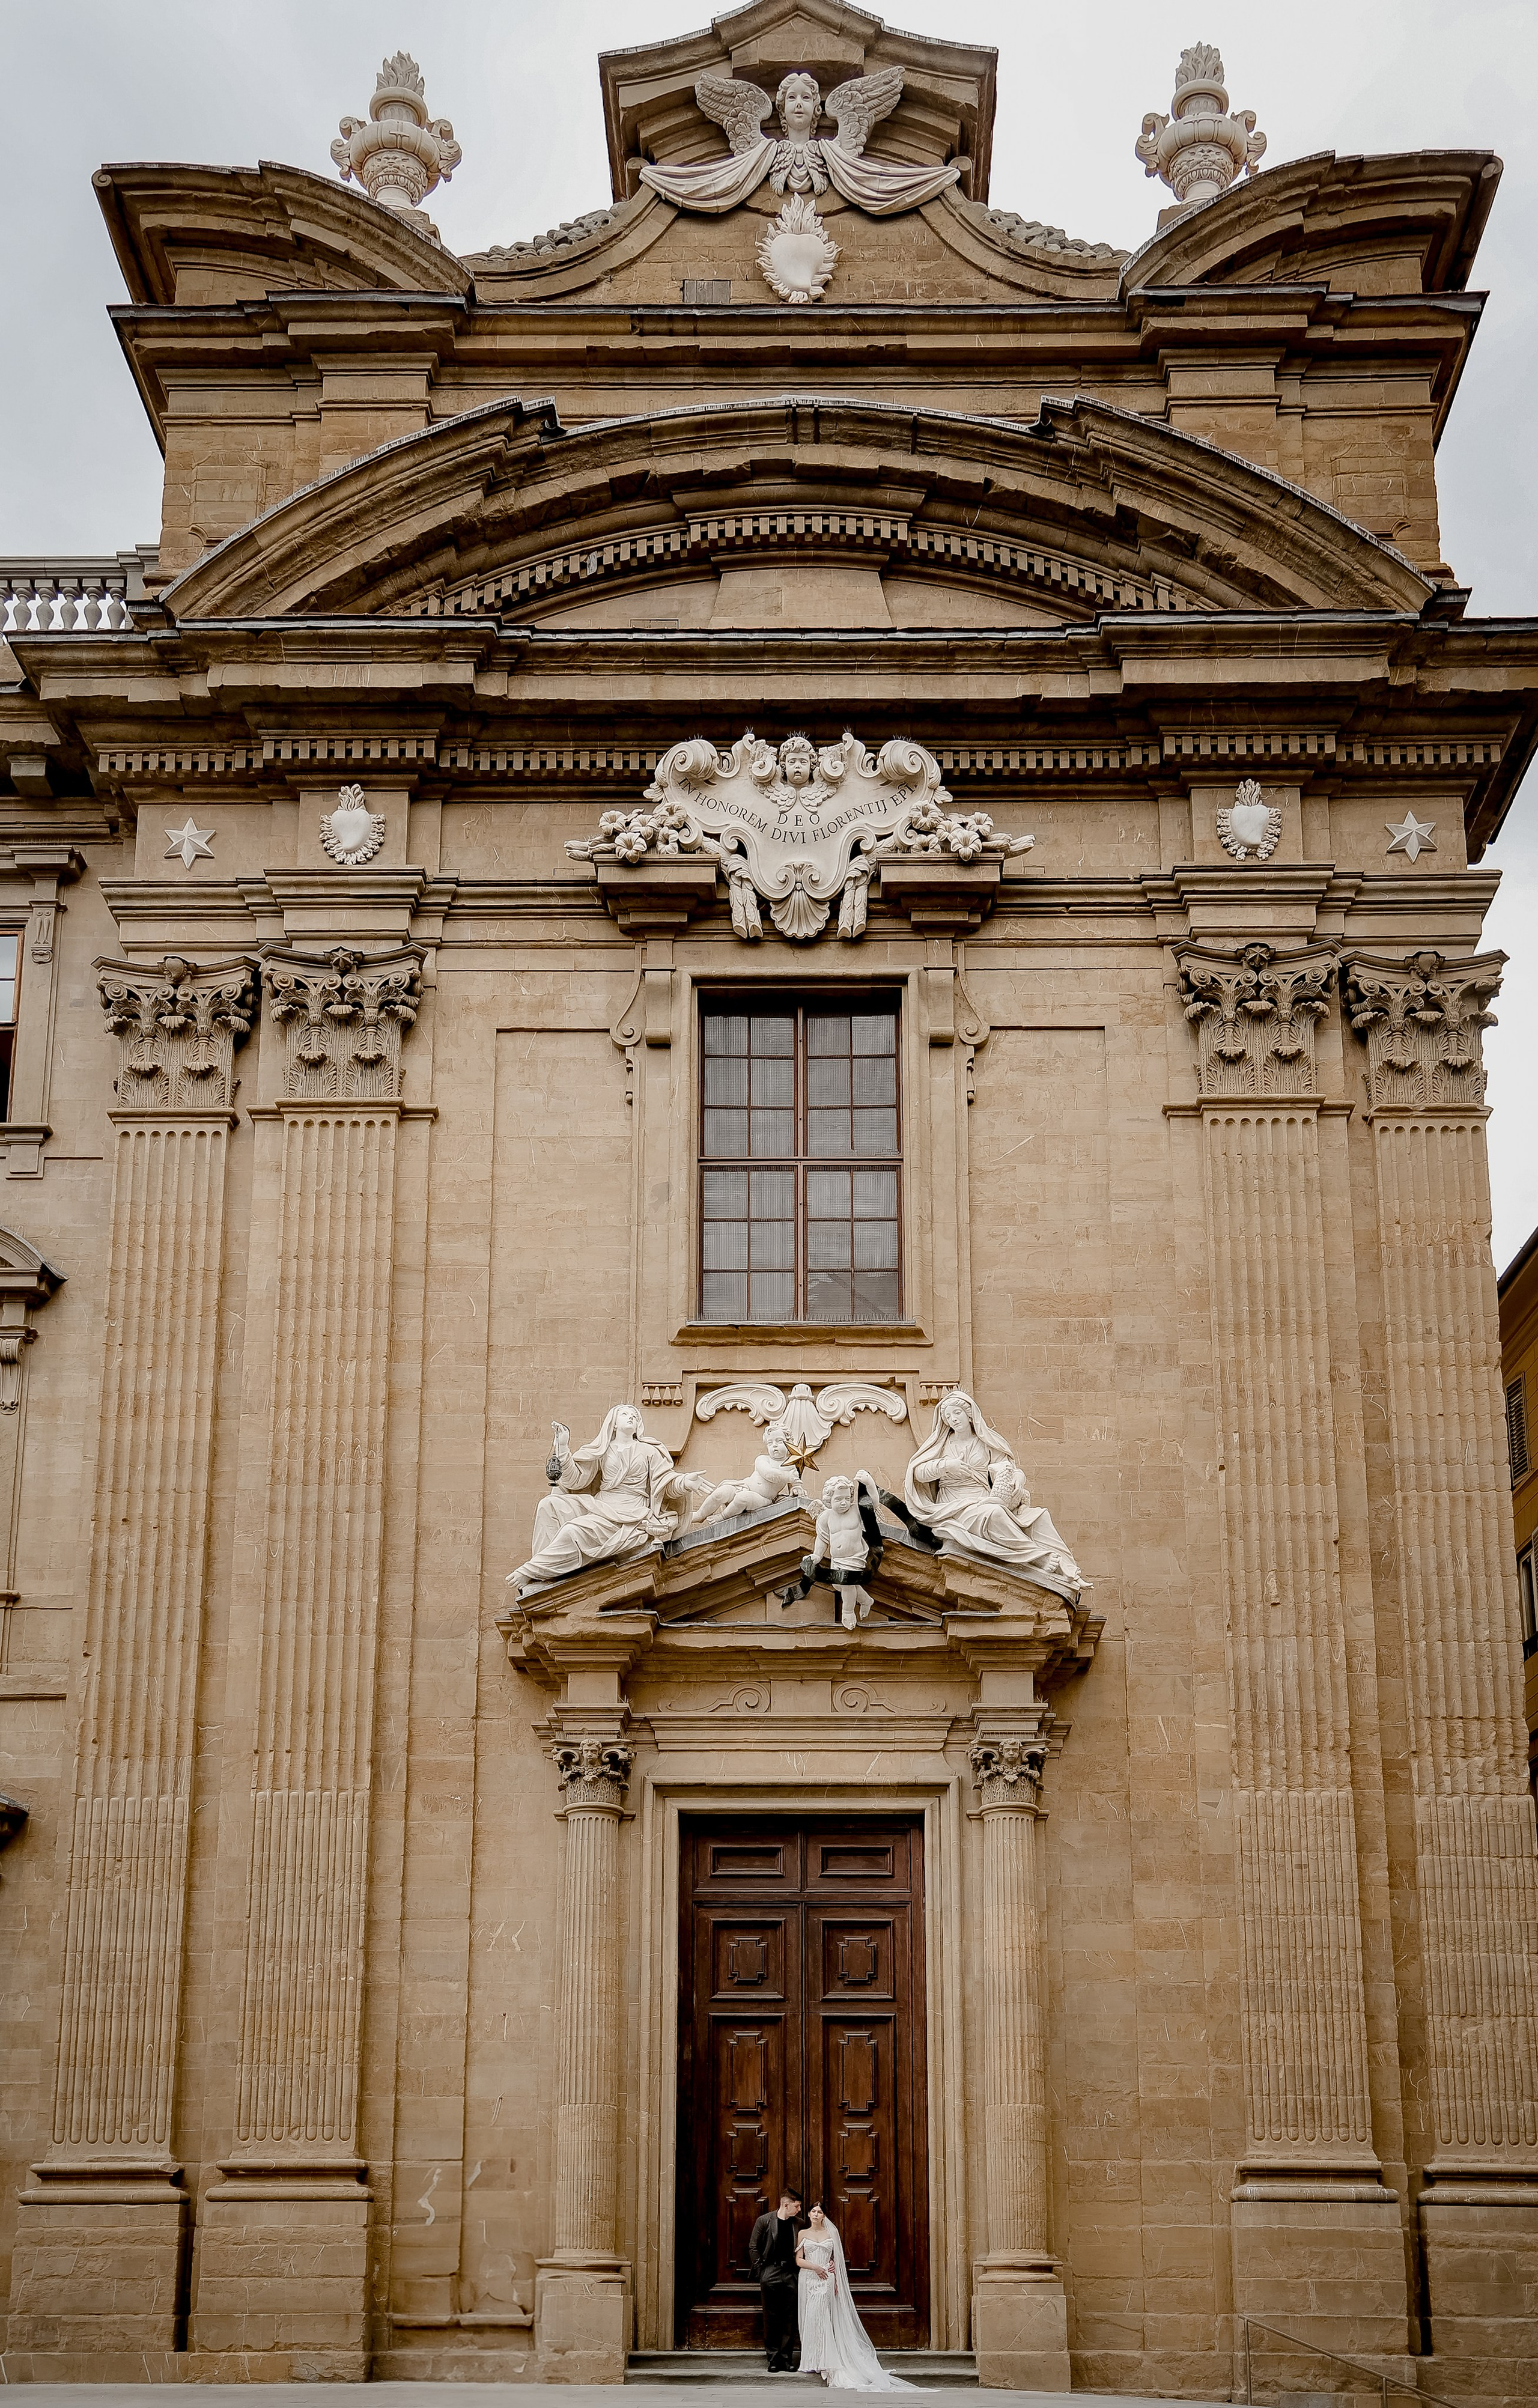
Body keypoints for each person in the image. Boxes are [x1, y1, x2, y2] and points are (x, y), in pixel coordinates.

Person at [901, 1390, 1086, 1590]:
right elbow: (918, 1472)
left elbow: (1006, 1467)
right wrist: (946, 1466)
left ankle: (1068, 1571)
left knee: (1039, 1517)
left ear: (969, 1414)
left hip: (982, 1497)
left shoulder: (985, 1441)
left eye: (957, 1413)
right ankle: (1038, 1558)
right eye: (948, 1417)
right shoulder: (942, 1444)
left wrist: (1018, 1477)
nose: (953, 1420)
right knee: (994, 1514)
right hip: (952, 1504)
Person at [795, 2204, 916, 2391]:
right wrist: (815, 2267)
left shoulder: (831, 2233)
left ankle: (826, 2360)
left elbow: (836, 2259)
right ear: (809, 2214)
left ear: (824, 2215)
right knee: (812, 2317)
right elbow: (799, 2260)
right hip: (810, 2278)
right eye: (813, 2211)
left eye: (819, 2212)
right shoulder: (803, 2233)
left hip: (827, 2279)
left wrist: (834, 2280)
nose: (816, 2214)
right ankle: (813, 2359)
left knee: (824, 2318)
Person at [748, 2188, 804, 2373]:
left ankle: (787, 2359)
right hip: (770, 2271)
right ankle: (773, 2358)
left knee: (789, 2317)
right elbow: (753, 2247)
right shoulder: (764, 2221)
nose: (799, 2210)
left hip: (791, 2273)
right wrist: (762, 2271)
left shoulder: (799, 2224)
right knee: (771, 2317)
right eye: (796, 2206)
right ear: (785, 2204)